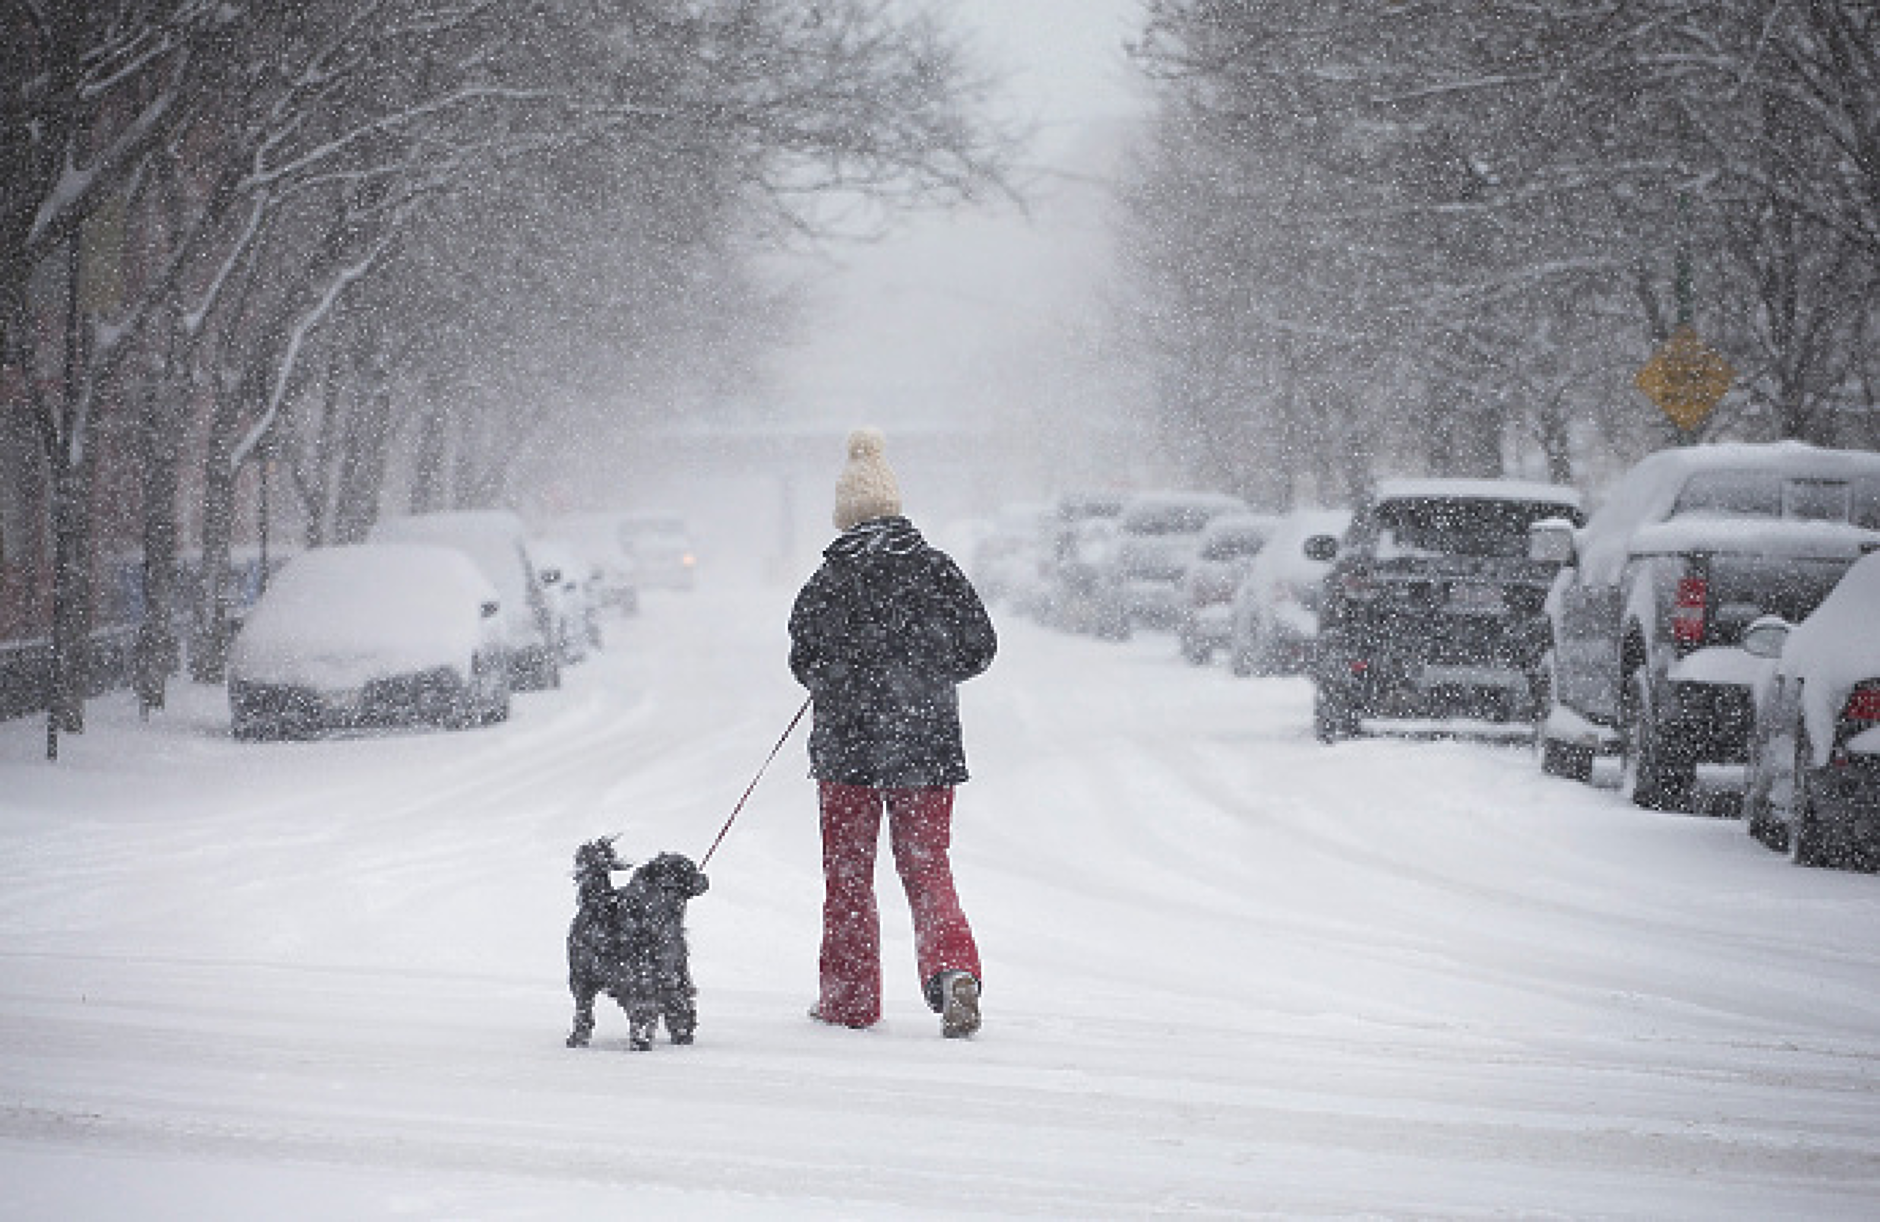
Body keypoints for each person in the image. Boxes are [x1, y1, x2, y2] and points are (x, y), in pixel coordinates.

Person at [788, 428, 998, 1038]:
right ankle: (954, 969)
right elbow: (980, 647)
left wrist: (844, 680)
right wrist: (925, 677)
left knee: (849, 877)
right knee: (928, 867)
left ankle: (849, 1000)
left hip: (846, 751)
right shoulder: (937, 571)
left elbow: (803, 661)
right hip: (925, 745)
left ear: (846, 515)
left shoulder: (828, 581)